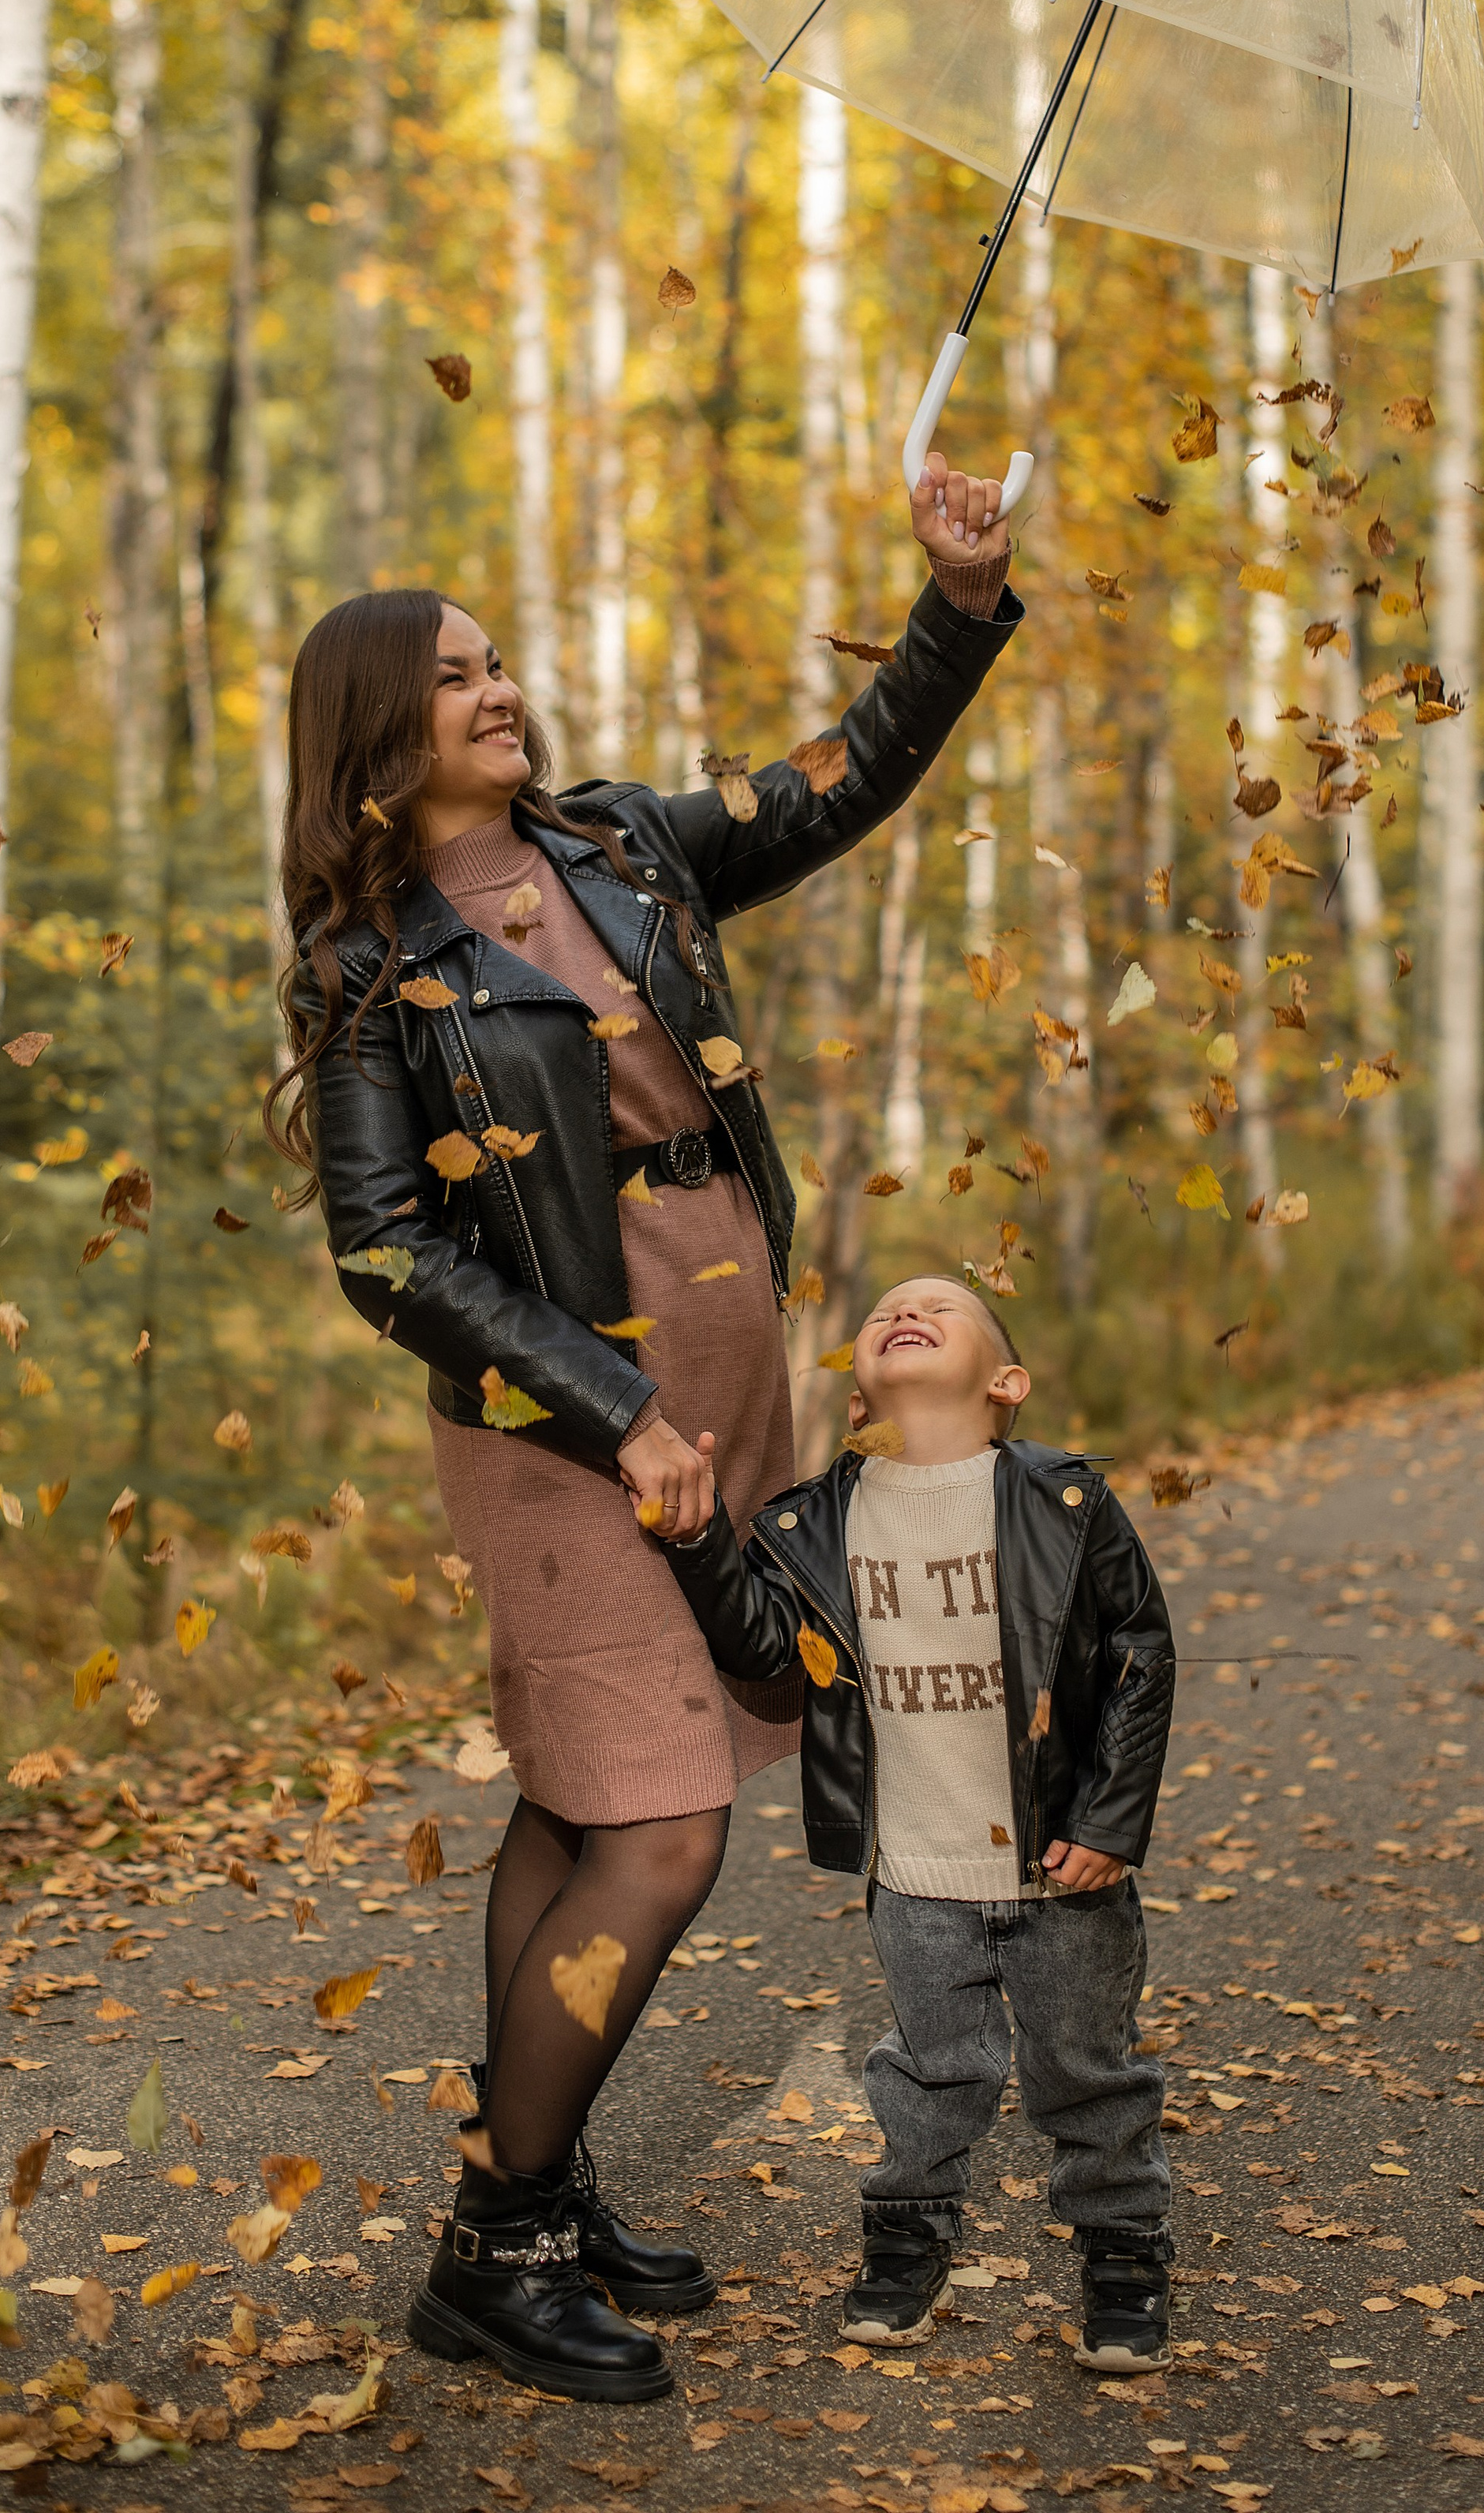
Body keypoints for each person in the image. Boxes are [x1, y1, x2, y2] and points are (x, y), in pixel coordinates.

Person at [268, 465, 1019, 2405]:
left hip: (721, 1353)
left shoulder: (620, 846)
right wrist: (614, 1410)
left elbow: (836, 781)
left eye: (500, 660)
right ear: (374, 730)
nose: (498, 690)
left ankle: (541, 2173)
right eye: (453, 677)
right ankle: (492, 2250)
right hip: (554, 1406)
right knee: (664, 1822)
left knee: (577, 1798)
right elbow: (384, 1255)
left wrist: (952, 600)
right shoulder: (375, 963)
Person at [661, 1273, 1179, 2373]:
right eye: (889, 1306)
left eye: (943, 1306)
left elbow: (1139, 1654)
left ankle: (1122, 2258)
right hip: (915, 1866)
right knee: (931, 2073)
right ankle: (907, 2242)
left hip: (1060, 1864)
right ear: (857, 1393)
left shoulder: (1067, 1503)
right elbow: (762, 1652)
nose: (909, 1309)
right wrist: (702, 1541)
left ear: (1005, 1381)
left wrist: (1111, 1820)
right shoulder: (811, 1524)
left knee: (1089, 2073)